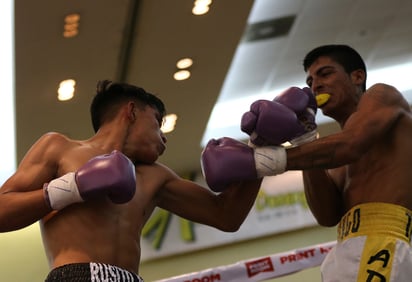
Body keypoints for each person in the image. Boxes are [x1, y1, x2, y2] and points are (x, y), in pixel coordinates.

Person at [0, 80, 268, 281]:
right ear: (131, 112)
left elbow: (226, 216)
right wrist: (74, 186)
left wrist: (261, 150)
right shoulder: (60, 148)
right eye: (158, 122)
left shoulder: (154, 176)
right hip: (76, 276)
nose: (164, 138)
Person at [203, 44, 412, 281]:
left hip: (382, 244)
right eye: (310, 80)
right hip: (346, 248)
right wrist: (305, 139)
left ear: (357, 76)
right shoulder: (334, 154)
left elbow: (351, 144)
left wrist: (262, 161)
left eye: (325, 73)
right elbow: (327, 215)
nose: (316, 85)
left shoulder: (383, 95)